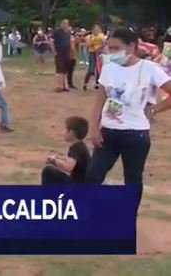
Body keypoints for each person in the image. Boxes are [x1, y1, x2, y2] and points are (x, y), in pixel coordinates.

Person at [85, 28, 171, 212]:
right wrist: (94, 127)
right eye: (110, 48)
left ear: (131, 46)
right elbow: (100, 101)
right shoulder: (109, 69)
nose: (111, 53)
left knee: (132, 179)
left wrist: (154, 109)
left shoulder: (149, 69)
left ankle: (128, 217)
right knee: (93, 175)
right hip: (108, 132)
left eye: (116, 48)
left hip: (136, 135)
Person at [41, 116, 90, 184]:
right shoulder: (80, 146)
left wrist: (54, 161)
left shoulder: (76, 148)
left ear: (71, 133)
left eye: (65, 130)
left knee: (48, 171)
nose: (63, 132)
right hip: (81, 183)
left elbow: (68, 167)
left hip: (78, 185)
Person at [83, 24, 106, 91]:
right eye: (95, 30)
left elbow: (104, 43)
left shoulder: (101, 36)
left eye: (97, 30)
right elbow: (87, 46)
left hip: (99, 54)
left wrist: (100, 47)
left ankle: (97, 83)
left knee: (99, 69)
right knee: (91, 69)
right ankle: (85, 83)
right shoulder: (89, 37)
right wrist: (91, 43)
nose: (96, 31)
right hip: (92, 53)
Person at [51, 19, 72, 92]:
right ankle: (58, 86)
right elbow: (51, 41)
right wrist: (53, 51)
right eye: (64, 23)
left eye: (67, 24)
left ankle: (64, 86)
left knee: (65, 70)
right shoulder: (57, 31)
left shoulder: (68, 33)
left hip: (66, 53)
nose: (65, 25)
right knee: (59, 69)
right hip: (59, 53)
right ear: (61, 24)